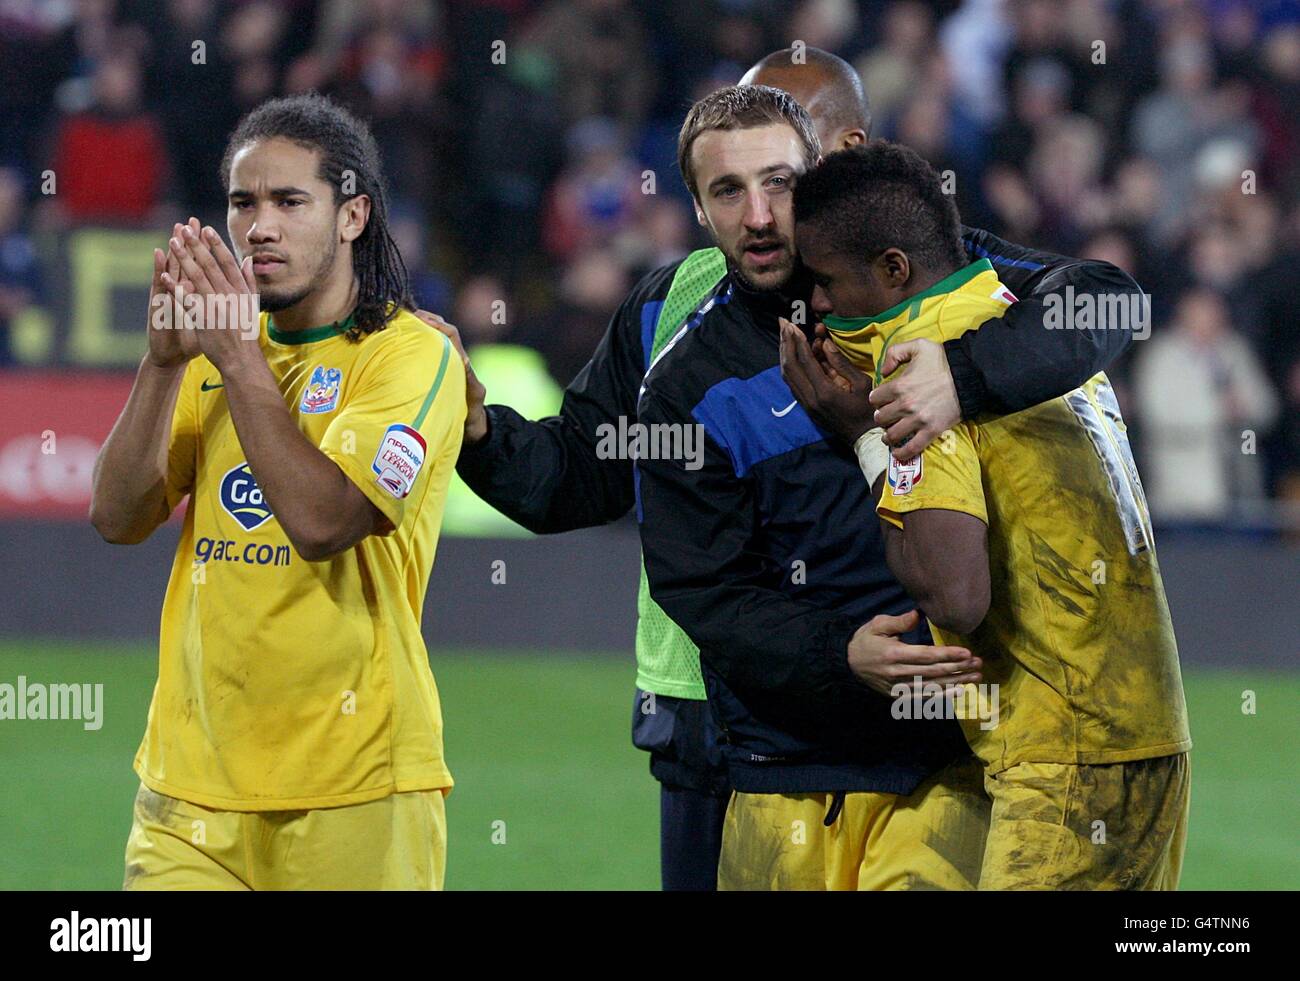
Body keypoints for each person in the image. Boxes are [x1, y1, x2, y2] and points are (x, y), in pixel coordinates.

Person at [429, 47, 1142, 891]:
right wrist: (479, 434)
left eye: (782, 178)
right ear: (696, 201)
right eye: (728, 188)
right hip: (722, 728)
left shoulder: (922, 272)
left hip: (944, 734)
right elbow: (582, 474)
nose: (761, 214)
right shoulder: (676, 320)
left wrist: (960, 376)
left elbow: (1105, 299)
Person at [781, 141, 1190, 889]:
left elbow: (954, 595)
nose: (824, 302)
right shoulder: (1016, 321)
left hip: (1063, 757)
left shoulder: (917, 360)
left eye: (829, 279)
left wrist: (868, 435)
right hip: (1148, 734)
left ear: (894, 270)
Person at [90, 93, 466, 890]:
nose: (259, 225)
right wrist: (160, 365)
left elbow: (324, 520)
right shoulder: (215, 353)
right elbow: (118, 519)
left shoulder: (407, 357)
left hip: (357, 786)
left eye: (290, 201)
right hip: (190, 790)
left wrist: (236, 361)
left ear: (352, 216)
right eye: (242, 202)